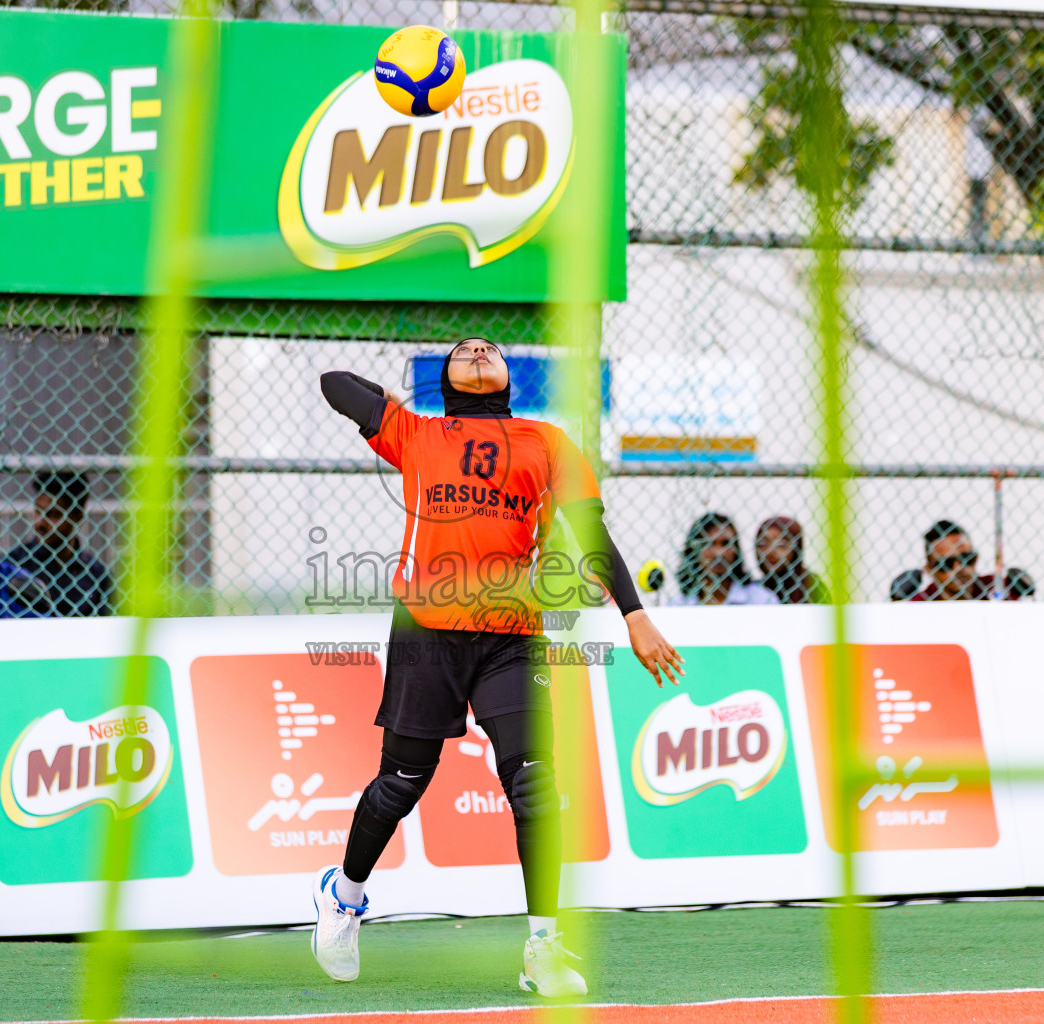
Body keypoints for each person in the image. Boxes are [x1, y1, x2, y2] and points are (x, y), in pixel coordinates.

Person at [313, 338, 683, 997]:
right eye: (465, 350)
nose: (480, 351)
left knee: (536, 783)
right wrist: (394, 412)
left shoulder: (547, 443)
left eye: (489, 349)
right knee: (399, 785)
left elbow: (590, 532)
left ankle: (542, 946)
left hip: (510, 637)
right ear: (450, 381)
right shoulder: (418, 435)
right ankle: (343, 897)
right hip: (427, 632)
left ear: (509, 379)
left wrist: (634, 614)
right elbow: (334, 381)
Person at [7, 471, 115, 617]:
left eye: (52, 514)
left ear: (77, 517)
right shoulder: (15, 565)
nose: (40, 522)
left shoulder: (97, 576)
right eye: (38, 511)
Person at [669, 512, 778, 606]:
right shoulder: (678, 605)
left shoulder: (760, 600)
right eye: (708, 544)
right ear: (693, 551)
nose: (719, 553)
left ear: (736, 549)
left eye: (726, 543)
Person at [910, 519, 999, 601]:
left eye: (966, 557)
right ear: (929, 569)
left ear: (976, 557)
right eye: (946, 563)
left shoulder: (996, 586)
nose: (959, 567)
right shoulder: (919, 603)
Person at [754, 515, 829, 604]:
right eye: (763, 543)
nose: (770, 552)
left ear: (797, 547)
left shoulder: (812, 585)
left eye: (781, 544)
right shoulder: (753, 590)